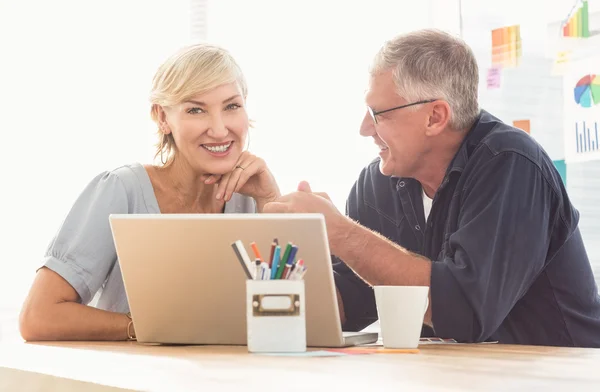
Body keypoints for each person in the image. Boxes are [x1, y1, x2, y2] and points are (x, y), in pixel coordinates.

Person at [264, 29, 600, 347]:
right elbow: (344, 307)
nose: (365, 128)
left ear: (435, 117)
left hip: (560, 376)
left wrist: (342, 233)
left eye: (378, 113)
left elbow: (465, 312)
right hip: (451, 377)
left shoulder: (511, 164)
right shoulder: (376, 184)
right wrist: (275, 210)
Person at [19, 43, 280, 341]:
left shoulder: (251, 199)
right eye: (196, 109)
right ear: (162, 118)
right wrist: (146, 326)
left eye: (231, 106)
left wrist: (270, 200)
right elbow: (38, 317)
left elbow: (294, 318)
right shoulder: (121, 190)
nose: (220, 130)